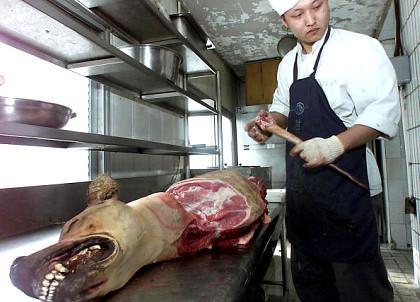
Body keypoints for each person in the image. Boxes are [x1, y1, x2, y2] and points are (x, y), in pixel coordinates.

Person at [245, 0, 401, 301]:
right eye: (297, 14)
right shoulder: (287, 63)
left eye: (317, 6)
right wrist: (269, 123)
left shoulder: (359, 49)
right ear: (283, 21)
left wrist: (334, 145)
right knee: (314, 287)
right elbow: (283, 108)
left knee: (360, 289)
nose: (311, 20)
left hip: (351, 189)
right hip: (306, 197)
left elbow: (384, 112)